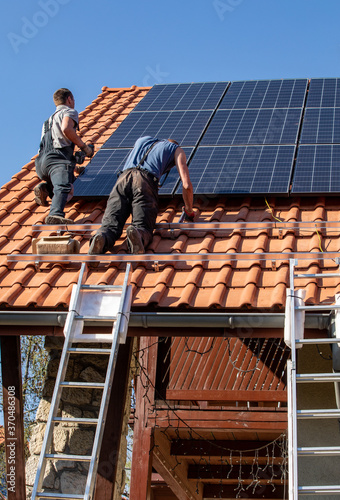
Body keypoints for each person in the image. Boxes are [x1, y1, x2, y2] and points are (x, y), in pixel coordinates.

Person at [88, 136, 194, 255]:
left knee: (110, 225)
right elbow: (186, 185)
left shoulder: (143, 139)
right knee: (143, 226)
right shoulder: (177, 150)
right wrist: (189, 210)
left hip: (122, 179)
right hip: (144, 181)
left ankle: (102, 237)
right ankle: (138, 234)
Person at [34, 88, 94, 224]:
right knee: (63, 186)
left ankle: (45, 187)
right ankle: (55, 215)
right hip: (57, 159)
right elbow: (66, 129)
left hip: (41, 163)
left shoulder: (47, 121)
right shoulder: (69, 112)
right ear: (69, 99)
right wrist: (84, 147)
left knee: (69, 180)